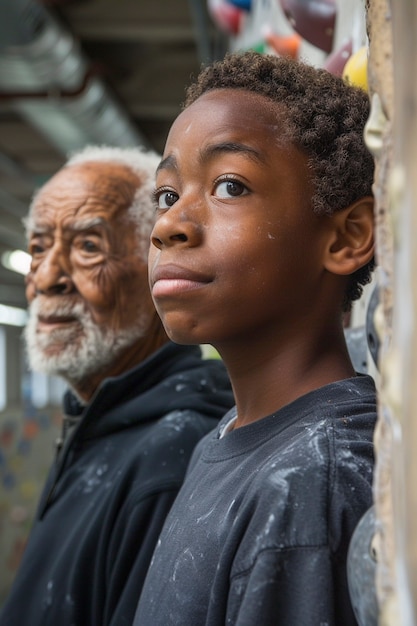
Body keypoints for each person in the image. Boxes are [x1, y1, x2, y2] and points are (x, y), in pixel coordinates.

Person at [133, 51, 378, 626]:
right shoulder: (226, 439)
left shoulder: (312, 486)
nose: (169, 224)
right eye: (167, 194)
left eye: (230, 186)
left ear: (346, 237)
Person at [0, 146, 234, 626]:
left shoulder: (169, 457)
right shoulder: (97, 418)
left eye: (88, 247)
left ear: (160, 266)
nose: (46, 278)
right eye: (39, 248)